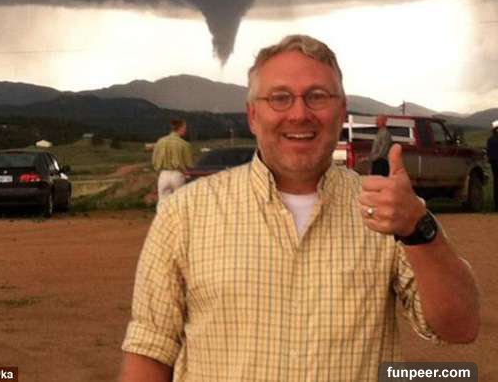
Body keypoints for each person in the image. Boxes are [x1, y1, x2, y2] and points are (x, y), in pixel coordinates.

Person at [120, 35, 479, 382]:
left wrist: (419, 231)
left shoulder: (393, 214)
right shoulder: (184, 214)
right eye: (280, 98)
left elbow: (460, 327)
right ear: (253, 115)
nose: (299, 113)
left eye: (317, 97)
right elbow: (151, 349)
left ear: (341, 112)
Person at [151, 119, 193, 210]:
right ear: (180, 128)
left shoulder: (160, 141)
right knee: (179, 203)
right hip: (178, 175)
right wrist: (187, 173)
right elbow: (189, 164)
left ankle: (162, 218)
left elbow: (154, 161)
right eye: (185, 128)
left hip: (164, 175)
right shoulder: (184, 144)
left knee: (162, 203)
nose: (186, 130)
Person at [487, 120, 498, 211]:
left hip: (494, 163)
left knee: (496, 182)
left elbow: (489, 153)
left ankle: (496, 205)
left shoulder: (490, 140)